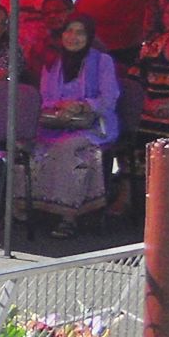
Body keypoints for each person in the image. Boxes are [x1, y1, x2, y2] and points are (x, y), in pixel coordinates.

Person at [30, 13, 120, 238]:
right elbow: (45, 97)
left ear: (89, 37)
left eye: (80, 32)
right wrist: (60, 106)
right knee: (28, 145)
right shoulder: (53, 61)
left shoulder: (102, 61)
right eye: (69, 31)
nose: (73, 37)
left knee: (68, 149)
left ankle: (67, 216)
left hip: (92, 125)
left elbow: (110, 98)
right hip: (56, 121)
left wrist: (82, 106)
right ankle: (34, 208)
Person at [133, 0, 169, 138]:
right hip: (151, 112)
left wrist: (168, 104)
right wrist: (148, 104)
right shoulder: (152, 46)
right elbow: (136, 81)